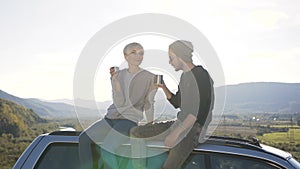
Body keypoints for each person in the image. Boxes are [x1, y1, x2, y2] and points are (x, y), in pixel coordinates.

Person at [130, 40, 214, 169]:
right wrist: (163, 87)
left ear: (180, 56)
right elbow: (177, 103)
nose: (170, 62)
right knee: (136, 132)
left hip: (193, 128)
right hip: (179, 123)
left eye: (171, 58)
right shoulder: (185, 76)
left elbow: (198, 111)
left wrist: (175, 134)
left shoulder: (201, 75)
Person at [79, 42, 157, 169]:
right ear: (125, 56)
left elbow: (149, 102)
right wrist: (115, 81)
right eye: (133, 52)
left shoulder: (150, 77)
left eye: (141, 53)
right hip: (111, 118)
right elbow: (119, 102)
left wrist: (150, 124)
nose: (138, 56)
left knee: (107, 149)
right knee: (84, 139)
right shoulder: (119, 75)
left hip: (129, 120)